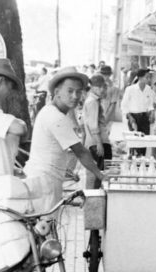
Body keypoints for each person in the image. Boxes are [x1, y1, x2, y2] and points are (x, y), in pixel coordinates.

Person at [24, 67, 105, 212]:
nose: (75, 96)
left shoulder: (52, 111)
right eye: (70, 91)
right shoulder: (56, 117)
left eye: (79, 91)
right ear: (57, 92)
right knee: (46, 226)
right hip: (45, 182)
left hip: (45, 179)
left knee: (45, 226)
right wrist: (101, 175)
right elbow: (80, 152)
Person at [0, 58, 27, 177]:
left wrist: (10, 168)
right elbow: (19, 127)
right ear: (0, 82)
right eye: (9, 87)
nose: (8, 93)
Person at [82, 74, 111, 189]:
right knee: (101, 173)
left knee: (101, 172)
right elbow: (93, 124)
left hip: (96, 141)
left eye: (103, 87)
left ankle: (96, 195)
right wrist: (99, 143)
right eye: (100, 87)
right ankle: (95, 197)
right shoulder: (92, 102)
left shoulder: (94, 100)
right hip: (97, 142)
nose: (103, 89)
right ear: (94, 87)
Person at [121, 68, 155, 136]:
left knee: (145, 140)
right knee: (134, 140)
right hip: (133, 117)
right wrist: (130, 118)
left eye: (149, 77)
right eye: (147, 77)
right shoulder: (130, 89)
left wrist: (152, 114)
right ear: (140, 78)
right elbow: (124, 105)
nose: (149, 79)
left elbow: (150, 104)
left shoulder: (149, 89)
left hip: (145, 118)